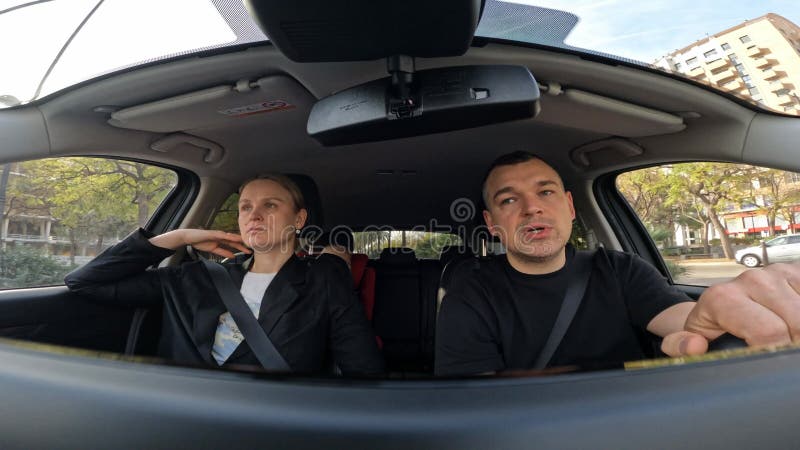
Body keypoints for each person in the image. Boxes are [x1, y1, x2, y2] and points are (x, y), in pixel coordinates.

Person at [435, 151, 800, 376]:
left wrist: (731, 305)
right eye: (509, 200)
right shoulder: (469, 293)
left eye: (545, 192)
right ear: (492, 224)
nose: (532, 207)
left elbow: (690, 319)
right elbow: (476, 399)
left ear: (570, 207)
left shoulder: (620, 269)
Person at [65, 174, 384, 376]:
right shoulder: (198, 276)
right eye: (245, 207)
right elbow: (86, 282)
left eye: (270, 205)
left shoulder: (323, 280)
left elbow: (363, 370)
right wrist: (178, 237)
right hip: (181, 413)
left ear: (299, 218)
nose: (254, 215)